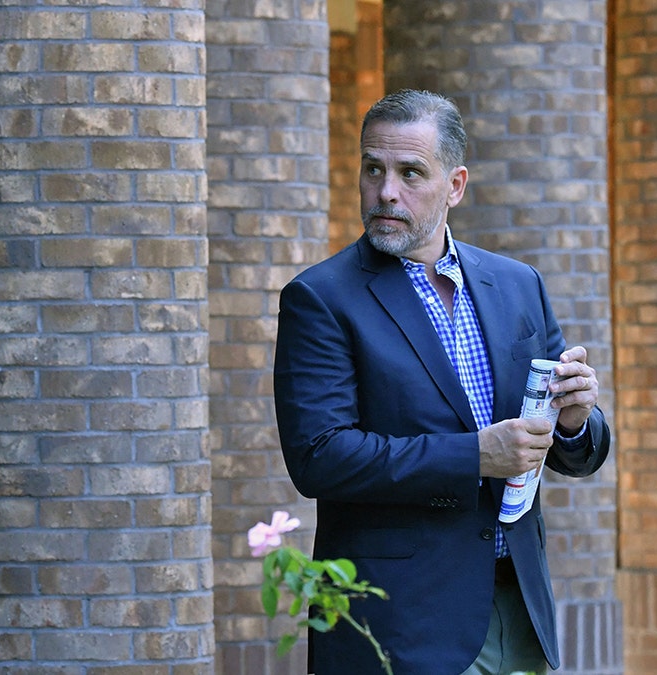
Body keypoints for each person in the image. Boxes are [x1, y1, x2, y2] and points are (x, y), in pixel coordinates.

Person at [273, 89, 611, 674]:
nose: (386, 192)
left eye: (411, 173)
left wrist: (576, 423)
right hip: (403, 625)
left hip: (519, 607)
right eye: (373, 169)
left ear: (454, 185)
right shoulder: (320, 299)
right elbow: (319, 458)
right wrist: (475, 455)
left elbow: (573, 454)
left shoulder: (517, 283)